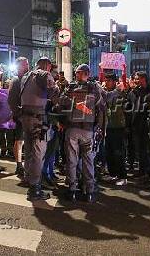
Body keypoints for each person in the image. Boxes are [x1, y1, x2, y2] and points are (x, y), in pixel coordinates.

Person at [59, 64, 105, 202]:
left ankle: (72, 190)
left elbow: (61, 101)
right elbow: (102, 107)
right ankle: (89, 191)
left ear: (81, 73)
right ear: (88, 74)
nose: (76, 75)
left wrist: (74, 102)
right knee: (88, 161)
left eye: (77, 72)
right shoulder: (95, 88)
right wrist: (98, 127)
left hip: (72, 129)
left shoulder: (71, 87)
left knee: (72, 161)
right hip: (87, 130)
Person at [19, 57, 59, 201]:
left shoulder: (26, 75)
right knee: (38, 153)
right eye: (50, 67)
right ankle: (35, 188)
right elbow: (54, 94)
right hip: (37, 119)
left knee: (29, 151)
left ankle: (29, 179)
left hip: (25, 117)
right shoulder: (44, 75)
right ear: (47, 66)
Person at [103, 72, 128, 186]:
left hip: (118, 126)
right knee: (109, 152)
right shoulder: (107, 92)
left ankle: (122, 176)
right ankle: (113, 174)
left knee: (118, 152)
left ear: (114, 82)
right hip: (108, 126)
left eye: (108, 81)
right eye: (105, 80)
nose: (106, 83)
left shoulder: (120, 93)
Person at [8, 57, 30, 178]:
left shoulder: (29, 78)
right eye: (24, 64)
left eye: (27, 64)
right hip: (20, 115)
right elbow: (11, 100)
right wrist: (17, 113)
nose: (27, 66)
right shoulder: (16, 80)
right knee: (19, 140)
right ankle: (19, 164)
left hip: (28, 115)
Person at [128, 71, 150, 178]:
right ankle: (142, 171)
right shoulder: (133, 91)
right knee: (139, 149)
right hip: (135, 124)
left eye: (138, 78)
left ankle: (148, 172)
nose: (136, 80)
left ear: (144, 79)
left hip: (147, 125)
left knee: (146, 150)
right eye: (135, 79)